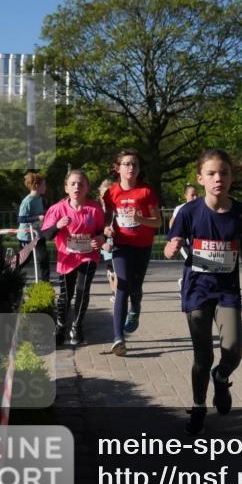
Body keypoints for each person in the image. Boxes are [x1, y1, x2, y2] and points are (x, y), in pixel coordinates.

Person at [165, 149, 242, 436]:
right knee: (201, 358)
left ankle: (222, 377)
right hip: (197, 291)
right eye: (212, 173)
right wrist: (171, 248)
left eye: (224, 173)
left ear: (231, 177)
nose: (219, 178)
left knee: (233, 351)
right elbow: (171, 246)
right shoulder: (189, 212)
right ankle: (197, 408)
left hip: (228, 292)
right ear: (200, 179)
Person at [102, 148, 160, 356]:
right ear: (117, 168)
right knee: (123, 286)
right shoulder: (111, 193)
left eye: (135, 164)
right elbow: (107, 219)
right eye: (127, 164)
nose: (131, 168)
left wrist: (141, 220)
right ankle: (118, 338)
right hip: (121, 245)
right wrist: (107, 229)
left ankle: (135, 307)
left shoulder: (146, 191)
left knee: (135, 287)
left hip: (142, 246)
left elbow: (158, 221)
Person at [39, 170, 105, 346]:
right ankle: (61, 326)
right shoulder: (57, 209)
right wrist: (58, 226)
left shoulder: (94, 208)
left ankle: (76, 326)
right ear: (66, 187)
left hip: (88, 255)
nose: (77, 187)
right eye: (73, 184)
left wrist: (100, 238)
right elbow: (46, 235)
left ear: (87, 188)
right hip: (66, 258)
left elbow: (100, 231)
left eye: (81, 184)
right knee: (65, 295)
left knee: (83, 290)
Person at [17, 172, 50, 282]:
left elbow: (41, 213)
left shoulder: (40, 198)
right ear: (36, 186)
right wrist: (38, 218)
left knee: (44, 259)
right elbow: (21, 219)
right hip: (26, 236)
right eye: (44, 185)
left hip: (38, 235)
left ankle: (45, 284)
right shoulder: (27, 201)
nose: (46, 187)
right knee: (24, 260)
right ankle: (10, 275)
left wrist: (46, 214)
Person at [170, 184, 199, 293]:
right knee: (193, 264)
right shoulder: (180, 209)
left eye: (197, 195)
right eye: (192, 195)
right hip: (184, 243)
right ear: (185, 196)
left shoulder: (200, 207)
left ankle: (185, 283)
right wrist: (175, 238)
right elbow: (171, 223)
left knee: (197, 266)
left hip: (197, 243)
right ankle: (185, 285)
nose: (195, 197)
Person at [98, 178, 117, 302]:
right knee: (110, 269)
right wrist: (103, 243)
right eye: (104, 193)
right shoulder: (99, 210)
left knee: (118, 269)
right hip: (106, 243)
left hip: (118, 242)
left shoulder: (117, 208)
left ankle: (117, 293)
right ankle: (114, 291)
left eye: (109, 193)